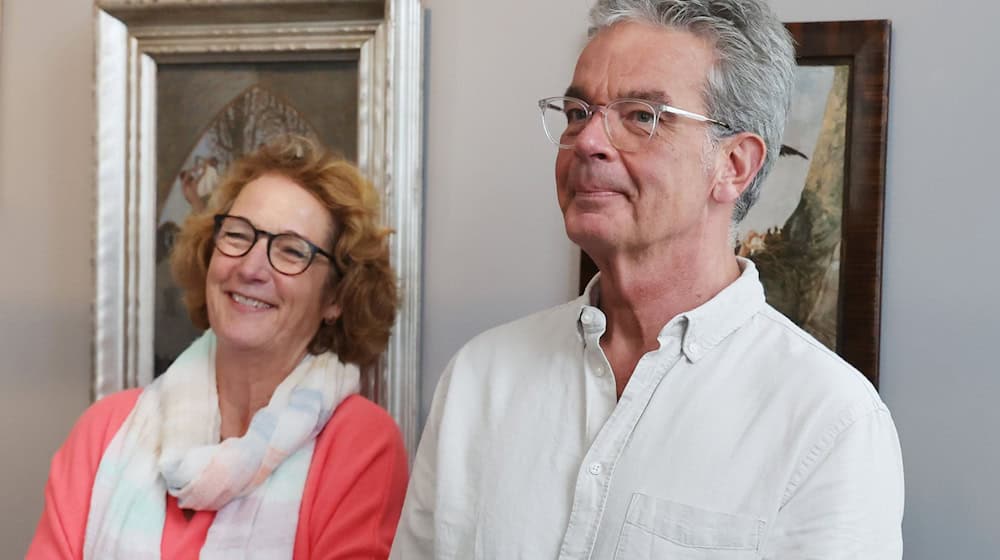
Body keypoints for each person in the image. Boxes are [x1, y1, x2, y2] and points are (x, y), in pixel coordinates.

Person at [391, 0, 904, 558]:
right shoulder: (479, 378)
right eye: (578, 111)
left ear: (734, 165)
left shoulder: (828, 420)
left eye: (642, 116)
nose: (588, 140)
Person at [29, 135, 408, 559]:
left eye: (290, 250)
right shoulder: (102, 433)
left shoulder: (359, 447)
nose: (250, 267)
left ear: (337, 297)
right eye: (237, 235)